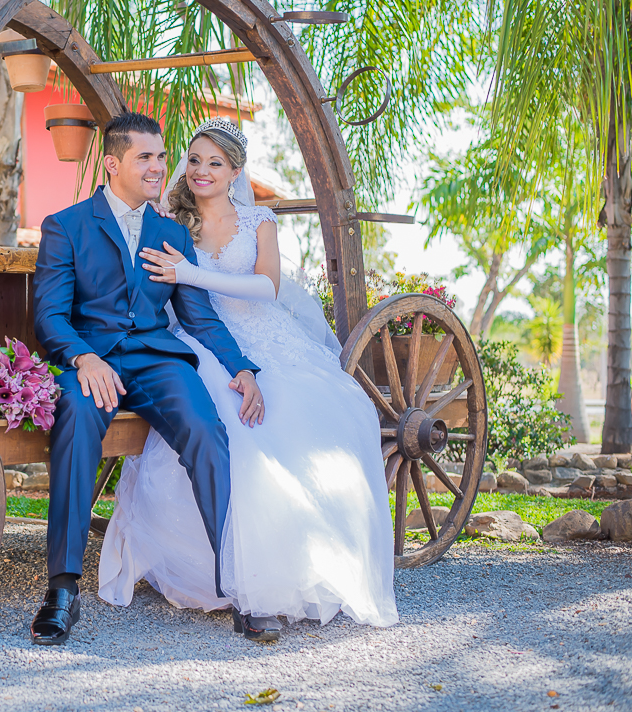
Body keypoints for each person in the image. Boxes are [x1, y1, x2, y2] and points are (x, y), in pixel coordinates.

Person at [97, 117, 399, 642]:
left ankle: (292, 566)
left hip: (262, 335)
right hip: (200, 335)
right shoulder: (169, 217)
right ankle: (217, 566)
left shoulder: (259, 220)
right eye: (194, 160)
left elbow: (267, 286)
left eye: (215, 163)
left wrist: (192, 273)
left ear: (235, 172)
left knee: (307, 415)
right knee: (220, 416)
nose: (201, 171)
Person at [30, 112, 265, 646]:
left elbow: (199, 317)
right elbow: (50, 316)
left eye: (161, 156)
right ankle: (62, 590)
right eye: (145, 158)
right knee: (76, 420)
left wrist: (242, 368)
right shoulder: (65, 226)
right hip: (92, 361)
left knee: (207, 431)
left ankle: (237, 583)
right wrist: (83, 358)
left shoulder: (171, 232)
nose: (159, 167)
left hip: (158, 361)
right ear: (113, 164)